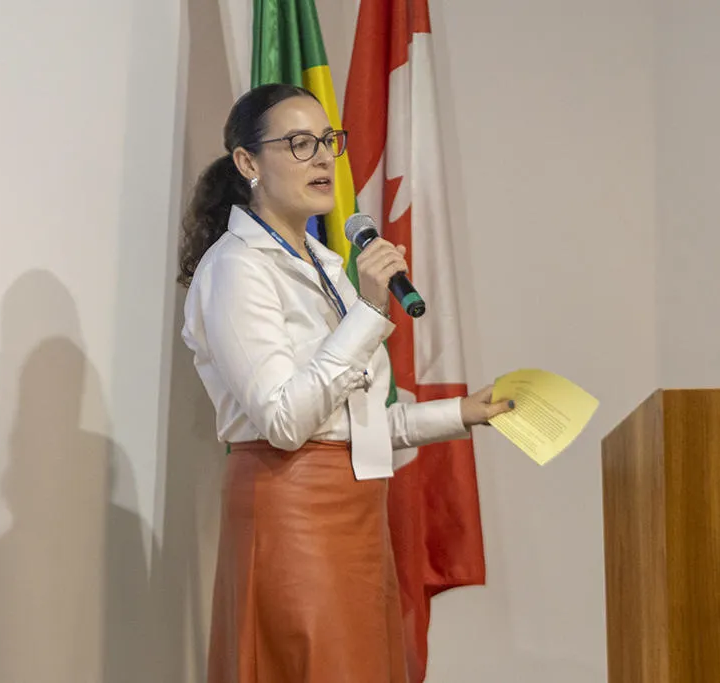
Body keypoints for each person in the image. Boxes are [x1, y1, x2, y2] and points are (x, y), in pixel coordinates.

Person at [178, 83, 512, 683]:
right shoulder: (236, 267)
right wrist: (371, 310)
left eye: (328, 141)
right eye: (300, 143)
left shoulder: (329, 265)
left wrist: (461, 412)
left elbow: (353, 421)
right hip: (291, 509)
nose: (323, 158)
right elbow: (285, 421)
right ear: (248, 163)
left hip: (357, 509)